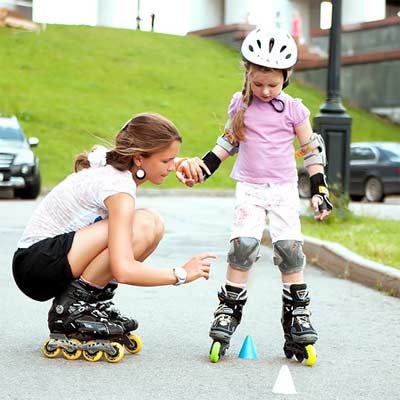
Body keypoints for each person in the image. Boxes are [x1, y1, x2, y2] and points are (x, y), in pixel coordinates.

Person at [177, 28, 332, 365]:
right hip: (249, 187)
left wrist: (319, 189)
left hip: (283, 190)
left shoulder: (294, 109)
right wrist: (204, 167)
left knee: (290, 251)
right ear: (248, 73)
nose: (264, 91)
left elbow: (310, 149)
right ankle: (228, 310)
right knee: (243, 246)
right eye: (258, 83)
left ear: (286, 78)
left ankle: (298, 317)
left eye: (272, 85)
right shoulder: (241, 103)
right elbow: (228, 141)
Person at [12, 112, 215, 362]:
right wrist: (181, 274)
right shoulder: (118, 188)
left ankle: (88, 302)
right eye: (167, 161)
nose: (172, 166)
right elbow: (124, 270)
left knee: (152, 223)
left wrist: (179, 161)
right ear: (139, 158)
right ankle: (73, 309)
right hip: (36, 264)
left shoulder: (118, 168)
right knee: (142, 223)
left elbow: (149, 164)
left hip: (47, 260)